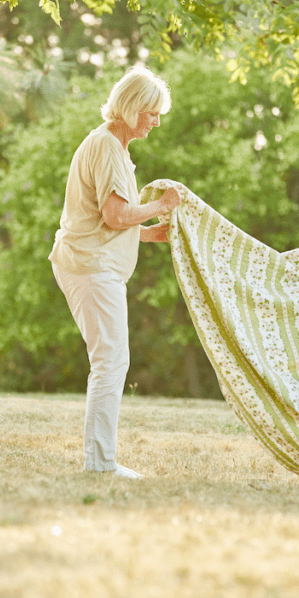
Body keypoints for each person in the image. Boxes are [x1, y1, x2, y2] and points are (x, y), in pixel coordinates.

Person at [49, 67, 182, 479]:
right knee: (111, 361)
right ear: (131, 107)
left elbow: (108, 220)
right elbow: (115, 214)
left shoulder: (115, 147)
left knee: (111, 360)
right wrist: (163, 205)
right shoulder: (106, 145)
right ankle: (100, 464)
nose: (156, 121)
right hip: (91, 267)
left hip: (93, 261)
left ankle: (101, 460)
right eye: (152, 112)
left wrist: (149, 234)